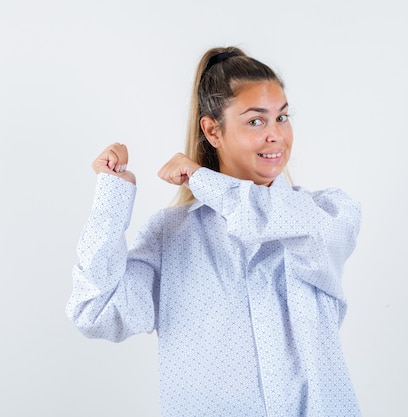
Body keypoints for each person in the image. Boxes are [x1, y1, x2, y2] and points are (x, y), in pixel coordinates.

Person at [67, 46, 362, 416]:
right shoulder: (170, 236)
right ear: (212, 130)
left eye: (282, 118)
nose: (276, 135)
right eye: (256, 121)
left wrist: (203, 181)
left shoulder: (327, 214)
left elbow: (272, 219)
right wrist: (113, 193)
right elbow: (95, 312)